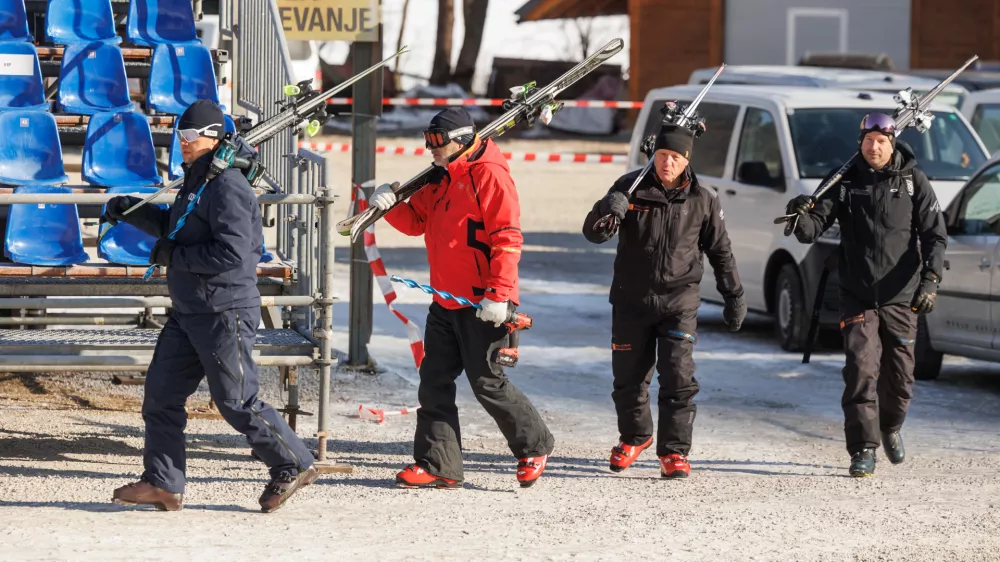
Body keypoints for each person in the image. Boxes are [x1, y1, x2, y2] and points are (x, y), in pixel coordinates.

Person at [105, 100, 317, 512]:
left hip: (225, 310)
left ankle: (293, 462)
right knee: (161, 395)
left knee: (237, 401)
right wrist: (131, 210)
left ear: (214, 137)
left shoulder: (229, 186)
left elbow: (235, 254)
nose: (182, 143)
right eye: (179, 136)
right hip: (189, 310)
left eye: (190, 136)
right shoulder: (199, 178)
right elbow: (178, 228)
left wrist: (172, 258)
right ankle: (164, 482)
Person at [368, 107, 555, 489]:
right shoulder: (439, 178)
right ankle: (439, 464)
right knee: (434, 380)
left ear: (464, 140)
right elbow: (416, 222)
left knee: (487, 381)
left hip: (485, 302)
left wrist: (499, 295)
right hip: (445, 299)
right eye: (429, 142)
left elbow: (507, 239)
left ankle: (534, 445)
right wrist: (390, 207)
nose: (431, 150)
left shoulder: (490, 175)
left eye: (438, 143)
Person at [784, 112, 946, 477]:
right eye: (868, 141)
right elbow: (812, 229)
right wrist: (799, 216)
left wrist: (930, 280)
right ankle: (862, 449)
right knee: (860, 369)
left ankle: (889, 427)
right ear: (860, 142)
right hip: (856, 291)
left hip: (901, 294)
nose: (874, 147)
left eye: (881, 142)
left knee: (900, 377)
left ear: (892, 144)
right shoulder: (844, 180)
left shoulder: (912, 181)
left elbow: (935, 235)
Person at [582, 123, 746, 479]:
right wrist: (605, 208)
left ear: (686, 159)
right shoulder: (631, 187)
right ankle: (635, 437)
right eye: (661, 156)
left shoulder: (703, 198)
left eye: (673, 157)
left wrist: (734, 295)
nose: (666, 164)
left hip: (679, 303)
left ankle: (674, 452)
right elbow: (593, 233)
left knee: (677, 377)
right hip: (630, 299)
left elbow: (721, 251)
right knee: (628, 379)